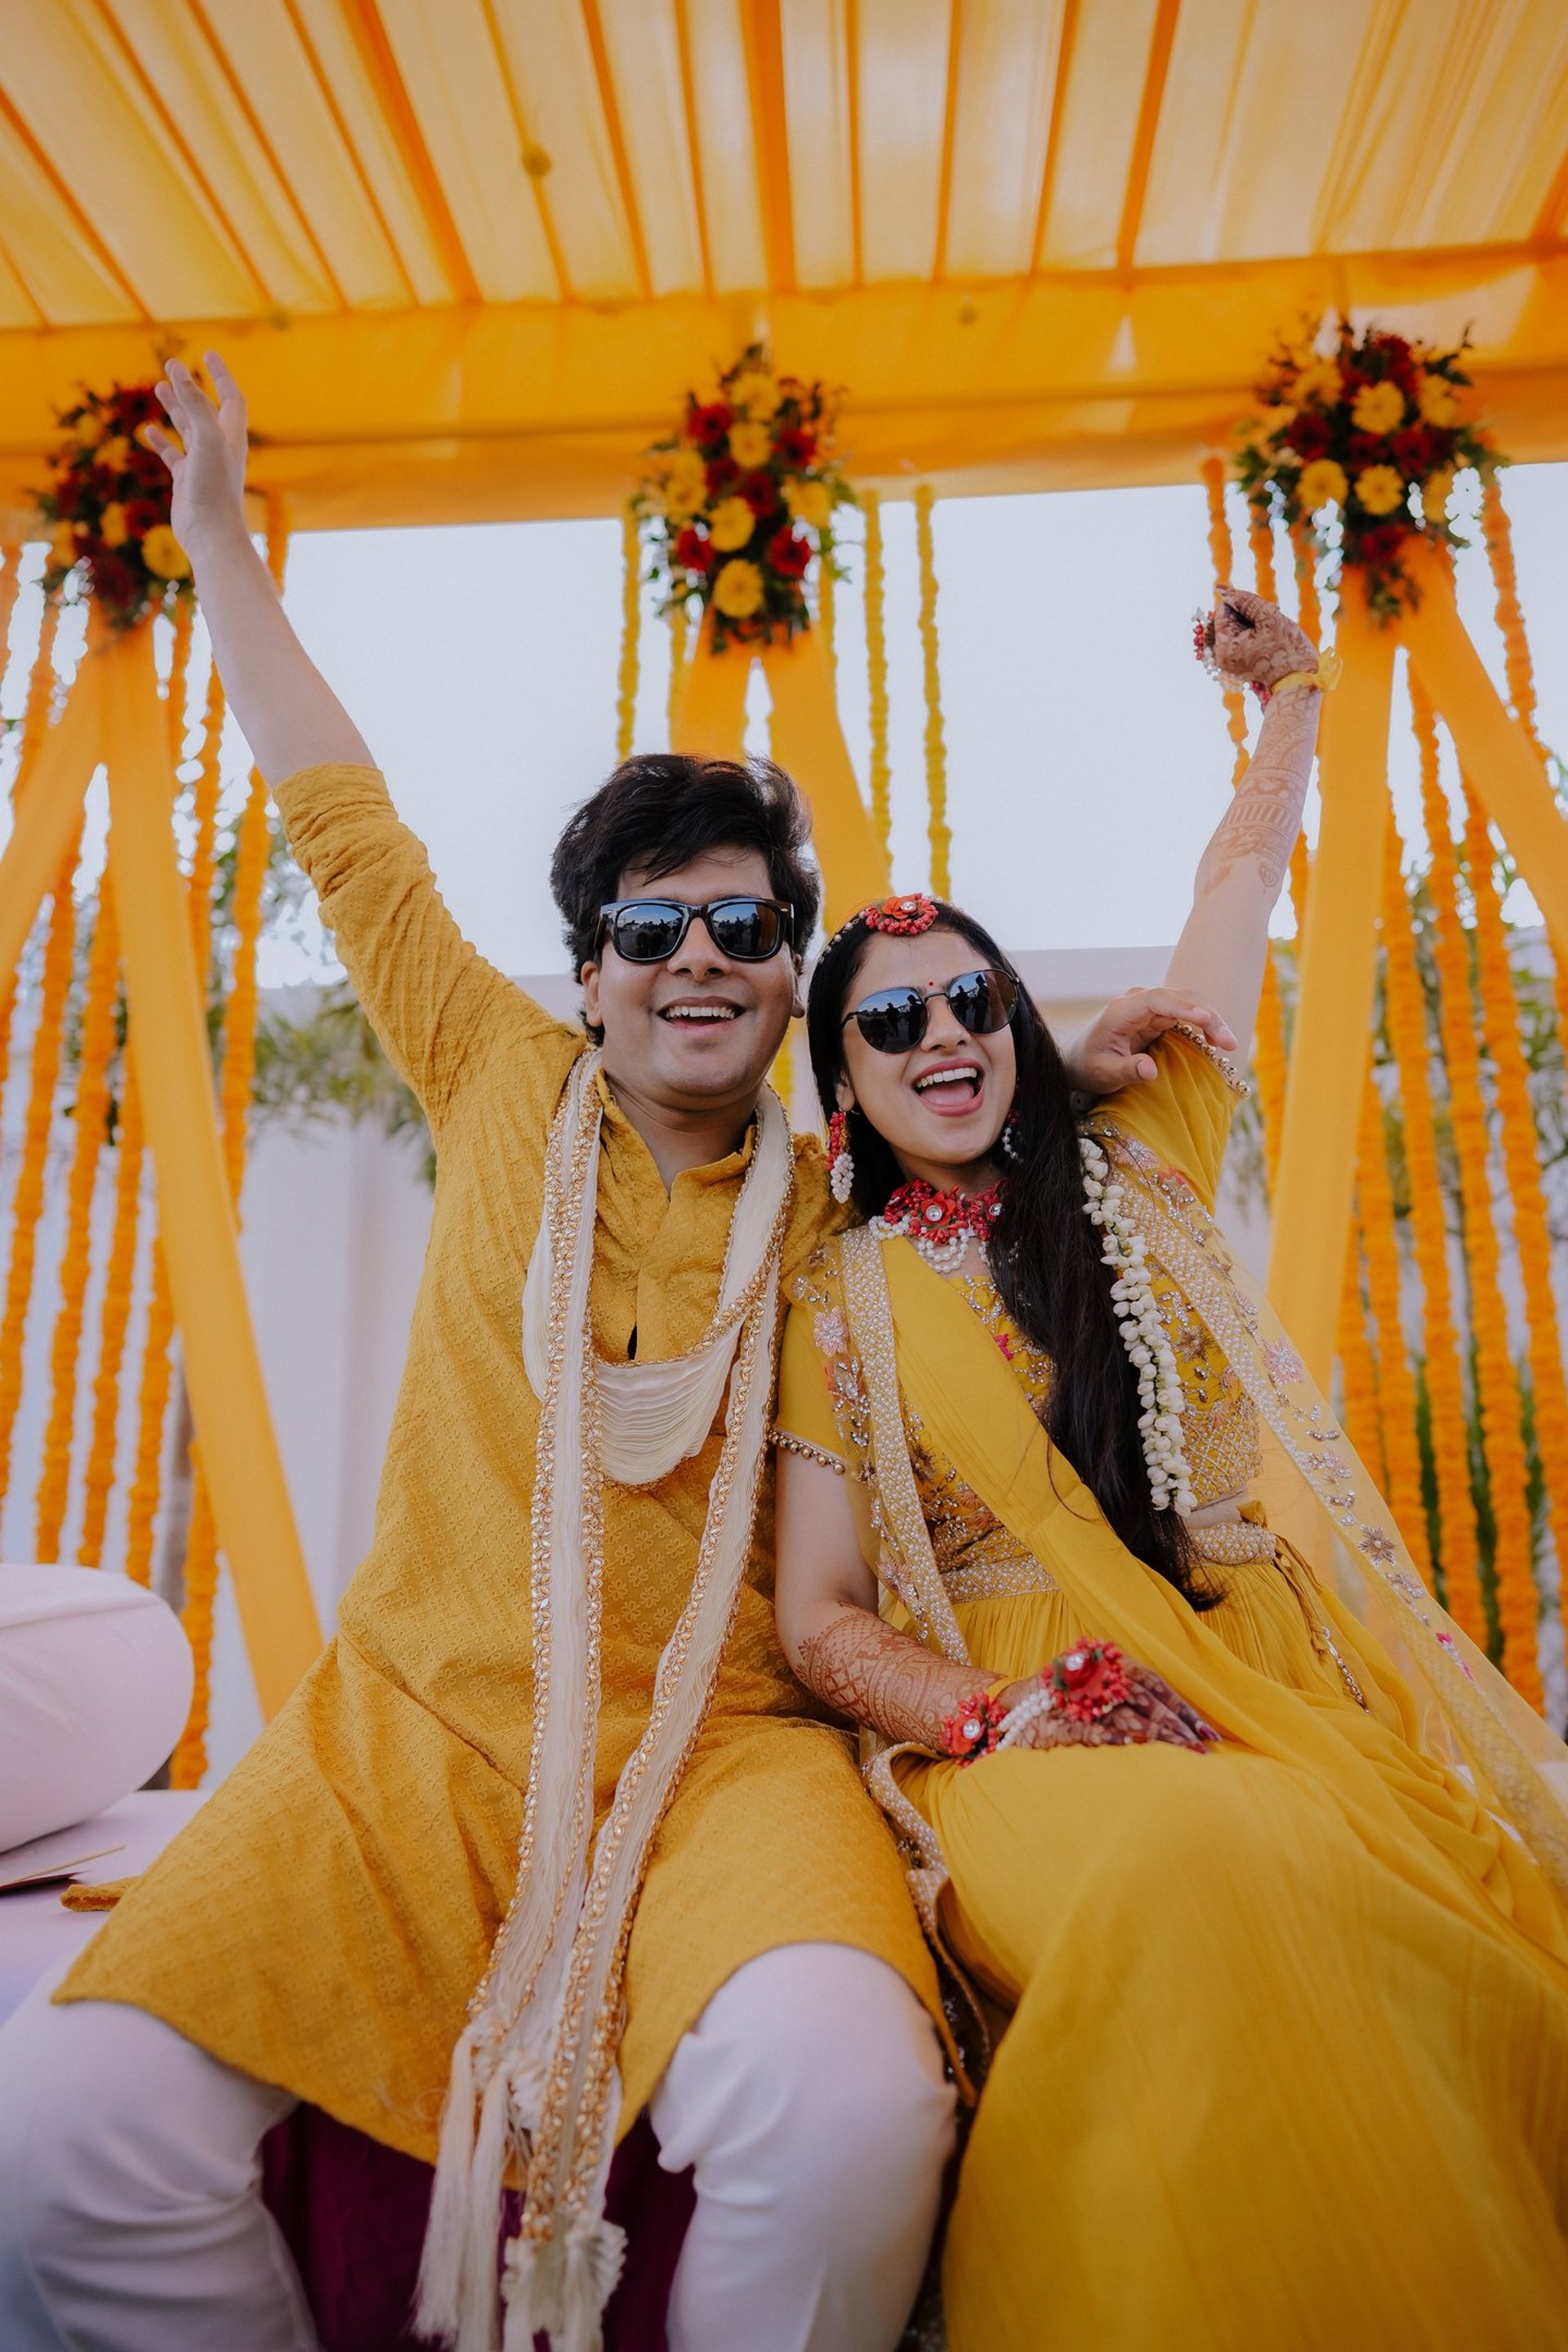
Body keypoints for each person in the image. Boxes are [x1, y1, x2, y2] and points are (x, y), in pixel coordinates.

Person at [0, 355, 1218, 2352]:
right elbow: (336, 810)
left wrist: (1039, 1082)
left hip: (727, 1755)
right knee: (55, 2131)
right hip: (419, 1725)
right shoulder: (494, 1074)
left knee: (845, 2111)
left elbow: (976, 1107)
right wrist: (216, 534)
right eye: (648, 933)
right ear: (586, 971)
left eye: (743, 926)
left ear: (787, 971)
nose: (698, 963)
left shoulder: (839, 1206)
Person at [772, 590, 1568, 2352]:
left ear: (1019, 1006)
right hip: (1015, 1723)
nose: (941, 1036)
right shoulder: (832, 1300)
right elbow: (818, 1616)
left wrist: (1290, 703)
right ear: (841, 1085)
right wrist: (1004, 1715)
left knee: (1353, 1874)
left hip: (1259, 1689)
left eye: (972, 999)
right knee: (1191, 1868)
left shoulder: (1143, 1157)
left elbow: (1235, 900)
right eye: (890, 1026)